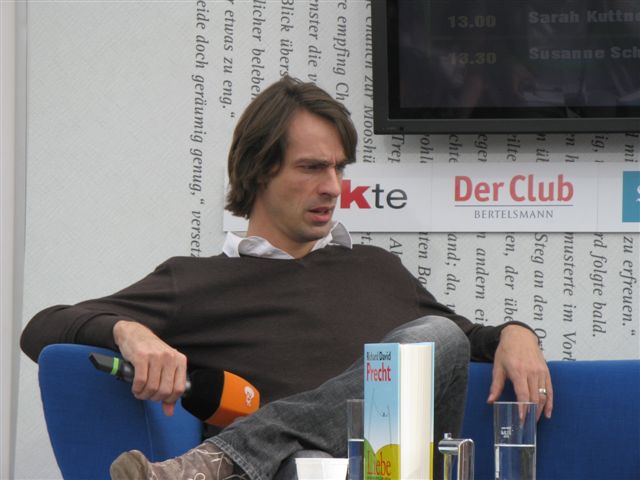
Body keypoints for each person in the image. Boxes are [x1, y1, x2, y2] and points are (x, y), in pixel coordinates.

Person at [20, 75, 552, 480]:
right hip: (296, 475)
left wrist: (516, 333)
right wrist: (128, 331)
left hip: (394, 468)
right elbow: (41, 329)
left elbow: (462, 343)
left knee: (438, 335)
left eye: (339, 168)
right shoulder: (196, 281)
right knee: (303, 464)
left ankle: (213, 464)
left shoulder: (376, 267)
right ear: (259, 170)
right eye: (312, 167)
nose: (333, 186)